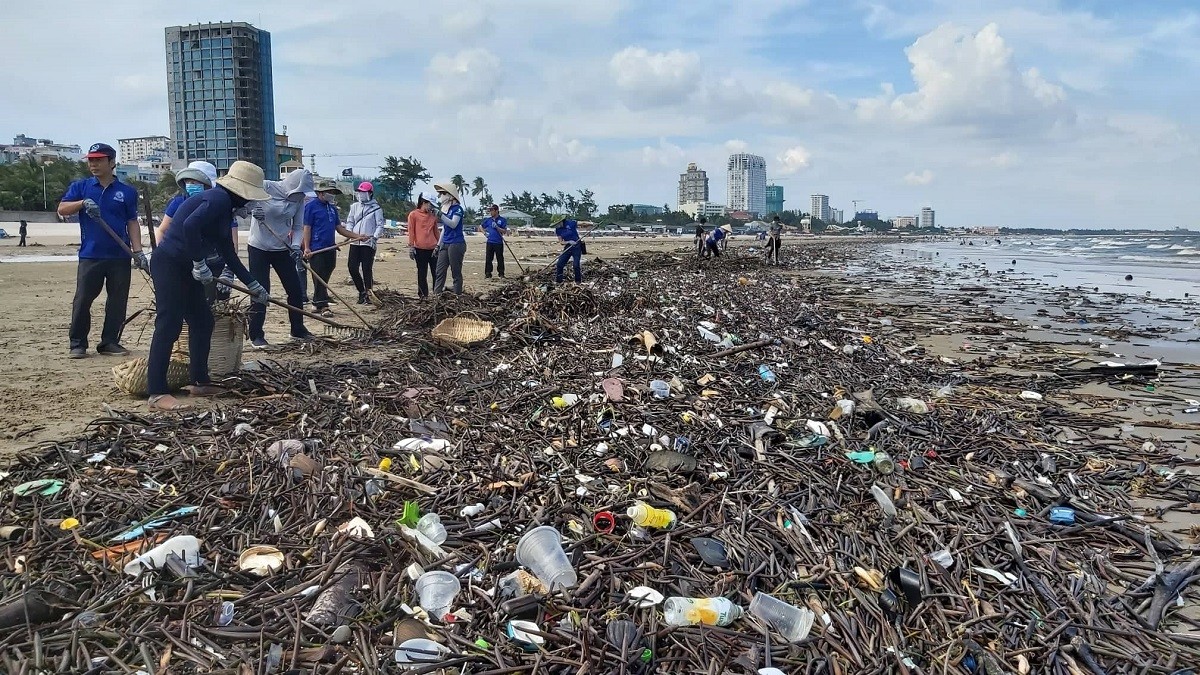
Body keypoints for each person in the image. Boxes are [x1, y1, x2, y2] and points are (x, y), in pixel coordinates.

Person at [146, 161, 270, 412]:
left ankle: (199, 380)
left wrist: (253, 284)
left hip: (187, 267)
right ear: (243, 194)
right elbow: (190, 226)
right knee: (168, 324)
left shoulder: (224, 210)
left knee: (202, 321)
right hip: (170, 263)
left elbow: (228, 252)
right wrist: (199, 263)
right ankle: (156, 392)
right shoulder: (218, 200)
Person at [58, 143, 146, 359]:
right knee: (83, 300)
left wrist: (138, 251)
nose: (93, 164)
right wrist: (81, 204)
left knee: (117, 301)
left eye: (98, 160)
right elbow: (62, 209)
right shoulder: (81, 187)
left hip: (119, 255)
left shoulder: (127, 192)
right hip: (91, 255)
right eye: (91, 160)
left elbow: (132, 222)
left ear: (111, 162)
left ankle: (109, 342)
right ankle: (77, 344)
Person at [247, 168, 313, 349]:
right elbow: (246, 200)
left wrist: (295, 246)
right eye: (299, 191)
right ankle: (256, 335)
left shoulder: (299, 200)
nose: (300, 195)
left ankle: (298, 329)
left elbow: (298, 226)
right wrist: (253, 209)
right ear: (292, 185)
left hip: (282, 248)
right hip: (258, 247)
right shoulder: (266, 187)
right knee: (260, 290)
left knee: (294, 288)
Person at [157, 161, 238, 299]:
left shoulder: (220, 205)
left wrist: (228, 270)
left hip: (214, 262)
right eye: (188, 181)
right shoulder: (178, 203)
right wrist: (163, 255)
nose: (191, 185)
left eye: (195, 182)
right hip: (184, 261)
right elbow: (162, 230)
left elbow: (232, 242)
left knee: (213, 301)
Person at [303, 179, 364, 315]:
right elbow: (307, 227)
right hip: (316, 247)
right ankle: (323, 305)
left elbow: (339, 228)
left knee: (326, 273)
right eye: (329, 192)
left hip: (330, 247)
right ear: (321, 193)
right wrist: (307, 247)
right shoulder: (311, 206)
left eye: (333, 192)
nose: (331, 194)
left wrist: (357, 236)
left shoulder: (332, 208)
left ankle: (316, 302)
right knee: (319, 274)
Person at [344, 181, 386, 304]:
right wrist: (350, 234)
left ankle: (368, 294)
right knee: (352, 267)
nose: (361, 194)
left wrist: (374, 237)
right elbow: (350, 221)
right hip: (355, 242)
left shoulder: (376, 208)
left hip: (368, 243)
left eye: (364, 192)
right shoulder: (354, 207)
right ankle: (361, 291)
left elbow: (380, 225)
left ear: (370, 193)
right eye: (359, 192)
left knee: (367, 269)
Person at [432, 180, 467, 294]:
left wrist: (441, 215)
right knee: (440, 271)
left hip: (456, 243)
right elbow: (444, 229)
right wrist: (438, 245)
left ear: (451, 196)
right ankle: (436, 295)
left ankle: (457, 295)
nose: (441, 196)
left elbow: (453, 224)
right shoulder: (445, 209)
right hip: (445, 243)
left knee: (455, 272)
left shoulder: (458, 209)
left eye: (443, 193)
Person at [407, 194, 439, 299]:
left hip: (433, 248)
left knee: (436, 272)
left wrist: (439, 245)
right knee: (422, 273)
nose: (431, 207)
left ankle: (437, 293)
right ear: (424, 202)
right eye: (430, 205)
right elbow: (411, 231)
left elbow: (436, 232)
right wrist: (411, 247)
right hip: (419, 249)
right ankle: (423, 295)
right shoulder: (413, 215)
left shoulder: (433, 216)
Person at [554, 216, 596, 283]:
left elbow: (582, 223)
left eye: (557, 224)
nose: (557, 225)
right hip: (568, 246)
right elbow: (561, 242)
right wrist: (569, 242)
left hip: (577, 245)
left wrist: (592, 224)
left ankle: (578, 281)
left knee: (576, 265)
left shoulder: (570, 223)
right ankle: (559, 281)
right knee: (559, 264)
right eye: (555, 225)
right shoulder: (558, 230)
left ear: (561, 221)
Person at [479, 204, 509, 278]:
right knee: (489, 259)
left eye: (492, 210)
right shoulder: (488, 220)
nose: (491, 212)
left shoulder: (502, 220)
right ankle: (488, 273)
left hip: (498, 242)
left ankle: (501, 273)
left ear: (496, 210)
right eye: (490, 210)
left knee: (500, 258)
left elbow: (504, 231)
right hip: (490, 242)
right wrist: (485, 233)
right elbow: (480, 226)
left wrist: (497, 227)